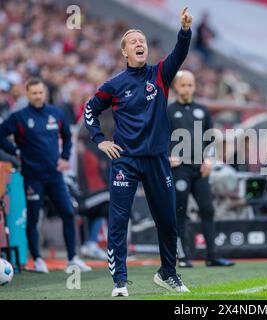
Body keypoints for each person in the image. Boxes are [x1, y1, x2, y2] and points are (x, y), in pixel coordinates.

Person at [83, 8, 193, 297]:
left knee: (168, 220)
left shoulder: (160, 74)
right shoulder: (114, 85)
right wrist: (100, 140)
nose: (139, 43)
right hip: (126, 161)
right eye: (132, 41)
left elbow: (180, 54)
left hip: (157, 160)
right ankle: (120, 281)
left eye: (141, 39)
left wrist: (184, 31)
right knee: (118, 222)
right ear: (124, 52)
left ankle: (167, 272)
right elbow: (90, 109)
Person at [0, 78, 91, 274]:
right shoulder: (19, 117)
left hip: (55, 175)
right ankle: (38, 259)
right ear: (28, 94)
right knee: (33, 218)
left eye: (41, 92)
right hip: (32, 176)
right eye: (34, 93)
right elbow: (1, 134)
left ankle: (72, 258)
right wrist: (14, 150)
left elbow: (67, 136)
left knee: (68, 212)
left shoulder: (56, 114)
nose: (38, 96)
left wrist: (65, 157)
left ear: (45, 93)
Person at [167, 70, 235, 268]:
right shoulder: (169, 111)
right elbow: (160, 136)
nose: (186, 88)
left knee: (207, 209)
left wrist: (209, 160)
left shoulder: (202, 110)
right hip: (180, 168)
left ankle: (212, 255)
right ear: (176, 87)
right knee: (180, 212)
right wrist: (167, 156)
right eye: (183, 85)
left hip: (200, 168)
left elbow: (210, 138)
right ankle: (182, 256)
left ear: (194, 87)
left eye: (190, 85)